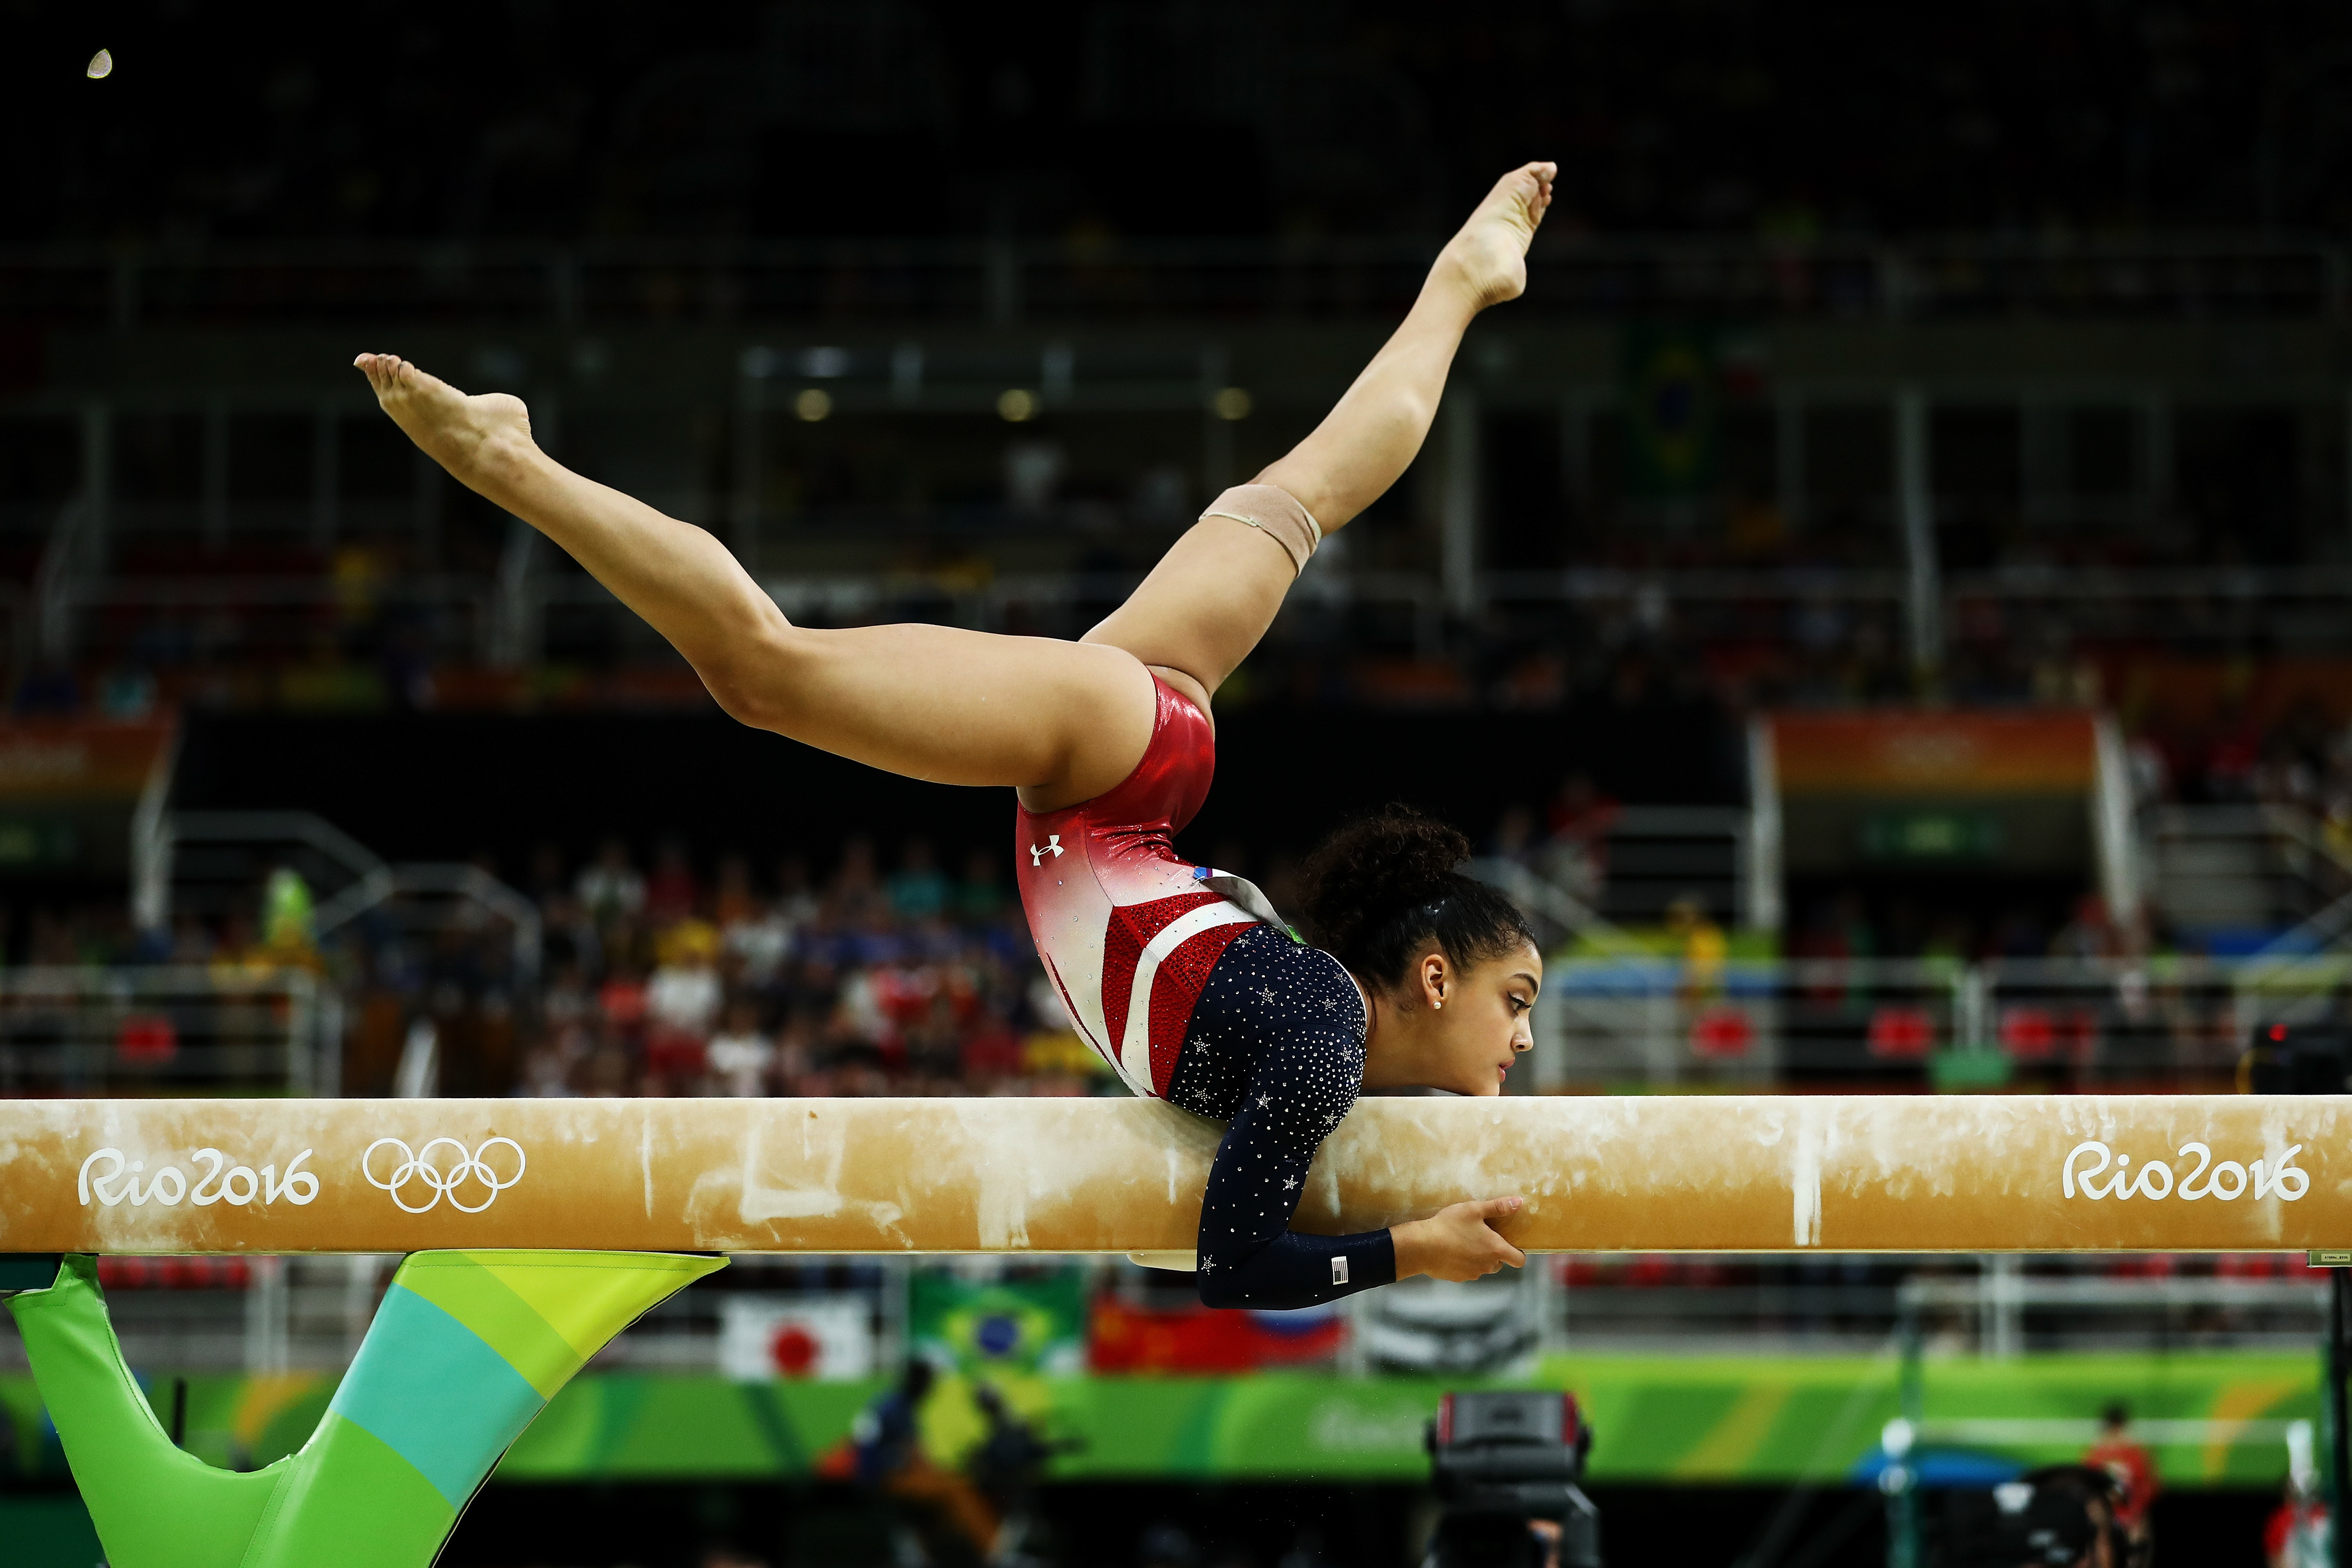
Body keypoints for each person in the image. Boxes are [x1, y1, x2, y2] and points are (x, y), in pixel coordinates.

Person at [354, 160, 1559, 1308]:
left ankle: (1459, 278)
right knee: (764, 671)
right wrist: (1410, 1250)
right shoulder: (1315, 1048)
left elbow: (1187, 1219)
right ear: (1433, 974)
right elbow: (1233, 1266)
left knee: (1300, 498)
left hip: (1136, 768)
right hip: (1099, 775)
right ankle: (508, 460)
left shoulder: (1316, 1049)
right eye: (1515, 997)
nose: (1520, 1034)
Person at [2083, 1402, 2158, 1561]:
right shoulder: (2134, 1452)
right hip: (2114, 1516)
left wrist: (2136, 1512)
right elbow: (2150, 1487)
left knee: (2134, 1541)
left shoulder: (2097, 1453)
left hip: (2123, 1515)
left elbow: (2149, 1487)